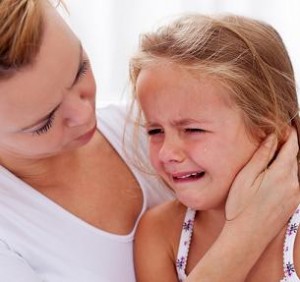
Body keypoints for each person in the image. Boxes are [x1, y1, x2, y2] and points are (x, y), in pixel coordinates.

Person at [0, 1, 298, 281]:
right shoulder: (161, 235)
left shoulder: (155, 115)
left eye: (80, 70)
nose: (84, 113)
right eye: (45, 121)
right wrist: (248, 232)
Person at [131, 14, 300, 282]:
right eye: (155, 131)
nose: (166, 153)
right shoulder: (162, 234)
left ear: (269, 130)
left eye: (192, 130)